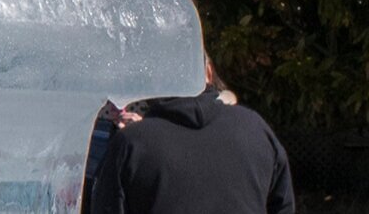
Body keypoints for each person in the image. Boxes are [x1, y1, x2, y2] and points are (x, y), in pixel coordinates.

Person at [86, 58, 294, 214]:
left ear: (153, 81)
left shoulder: (131, 145)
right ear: (208, 73)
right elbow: (283, 206)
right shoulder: (256, 129)